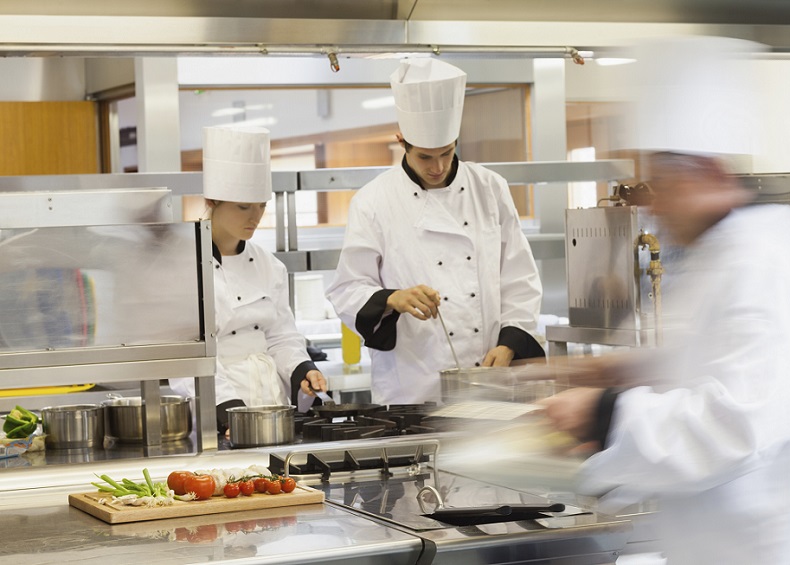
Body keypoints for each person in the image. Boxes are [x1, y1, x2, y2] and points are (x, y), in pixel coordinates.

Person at [541, 37, 790, 564]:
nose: (653, 205)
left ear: (710, 174)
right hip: (713, 541)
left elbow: (741, 422)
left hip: (774, 544)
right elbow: (707, 362)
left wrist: (605, 414)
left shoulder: (767, 257)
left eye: (662, 184)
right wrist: (621, 370)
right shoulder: (714, 253)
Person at [326, 58, 545, 405]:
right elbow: (347, 288)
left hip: (489, 379)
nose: (438, 167)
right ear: (402, 142)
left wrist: (508, 345)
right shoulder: (373, 201)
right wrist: (391, 299)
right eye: (426, 157)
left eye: (446, 152)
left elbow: (519, 279)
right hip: (412, 386)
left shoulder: (490, 188)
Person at [170, 126, 327, 434]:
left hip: (272, 408)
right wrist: (228, 411)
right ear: (213, 200)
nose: (255, 217)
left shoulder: (270, 266)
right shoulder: (181, 267)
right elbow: (186, 358)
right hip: (217, 416)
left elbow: (282, 337)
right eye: (243, 207)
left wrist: (302, 370)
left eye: (261, 205)